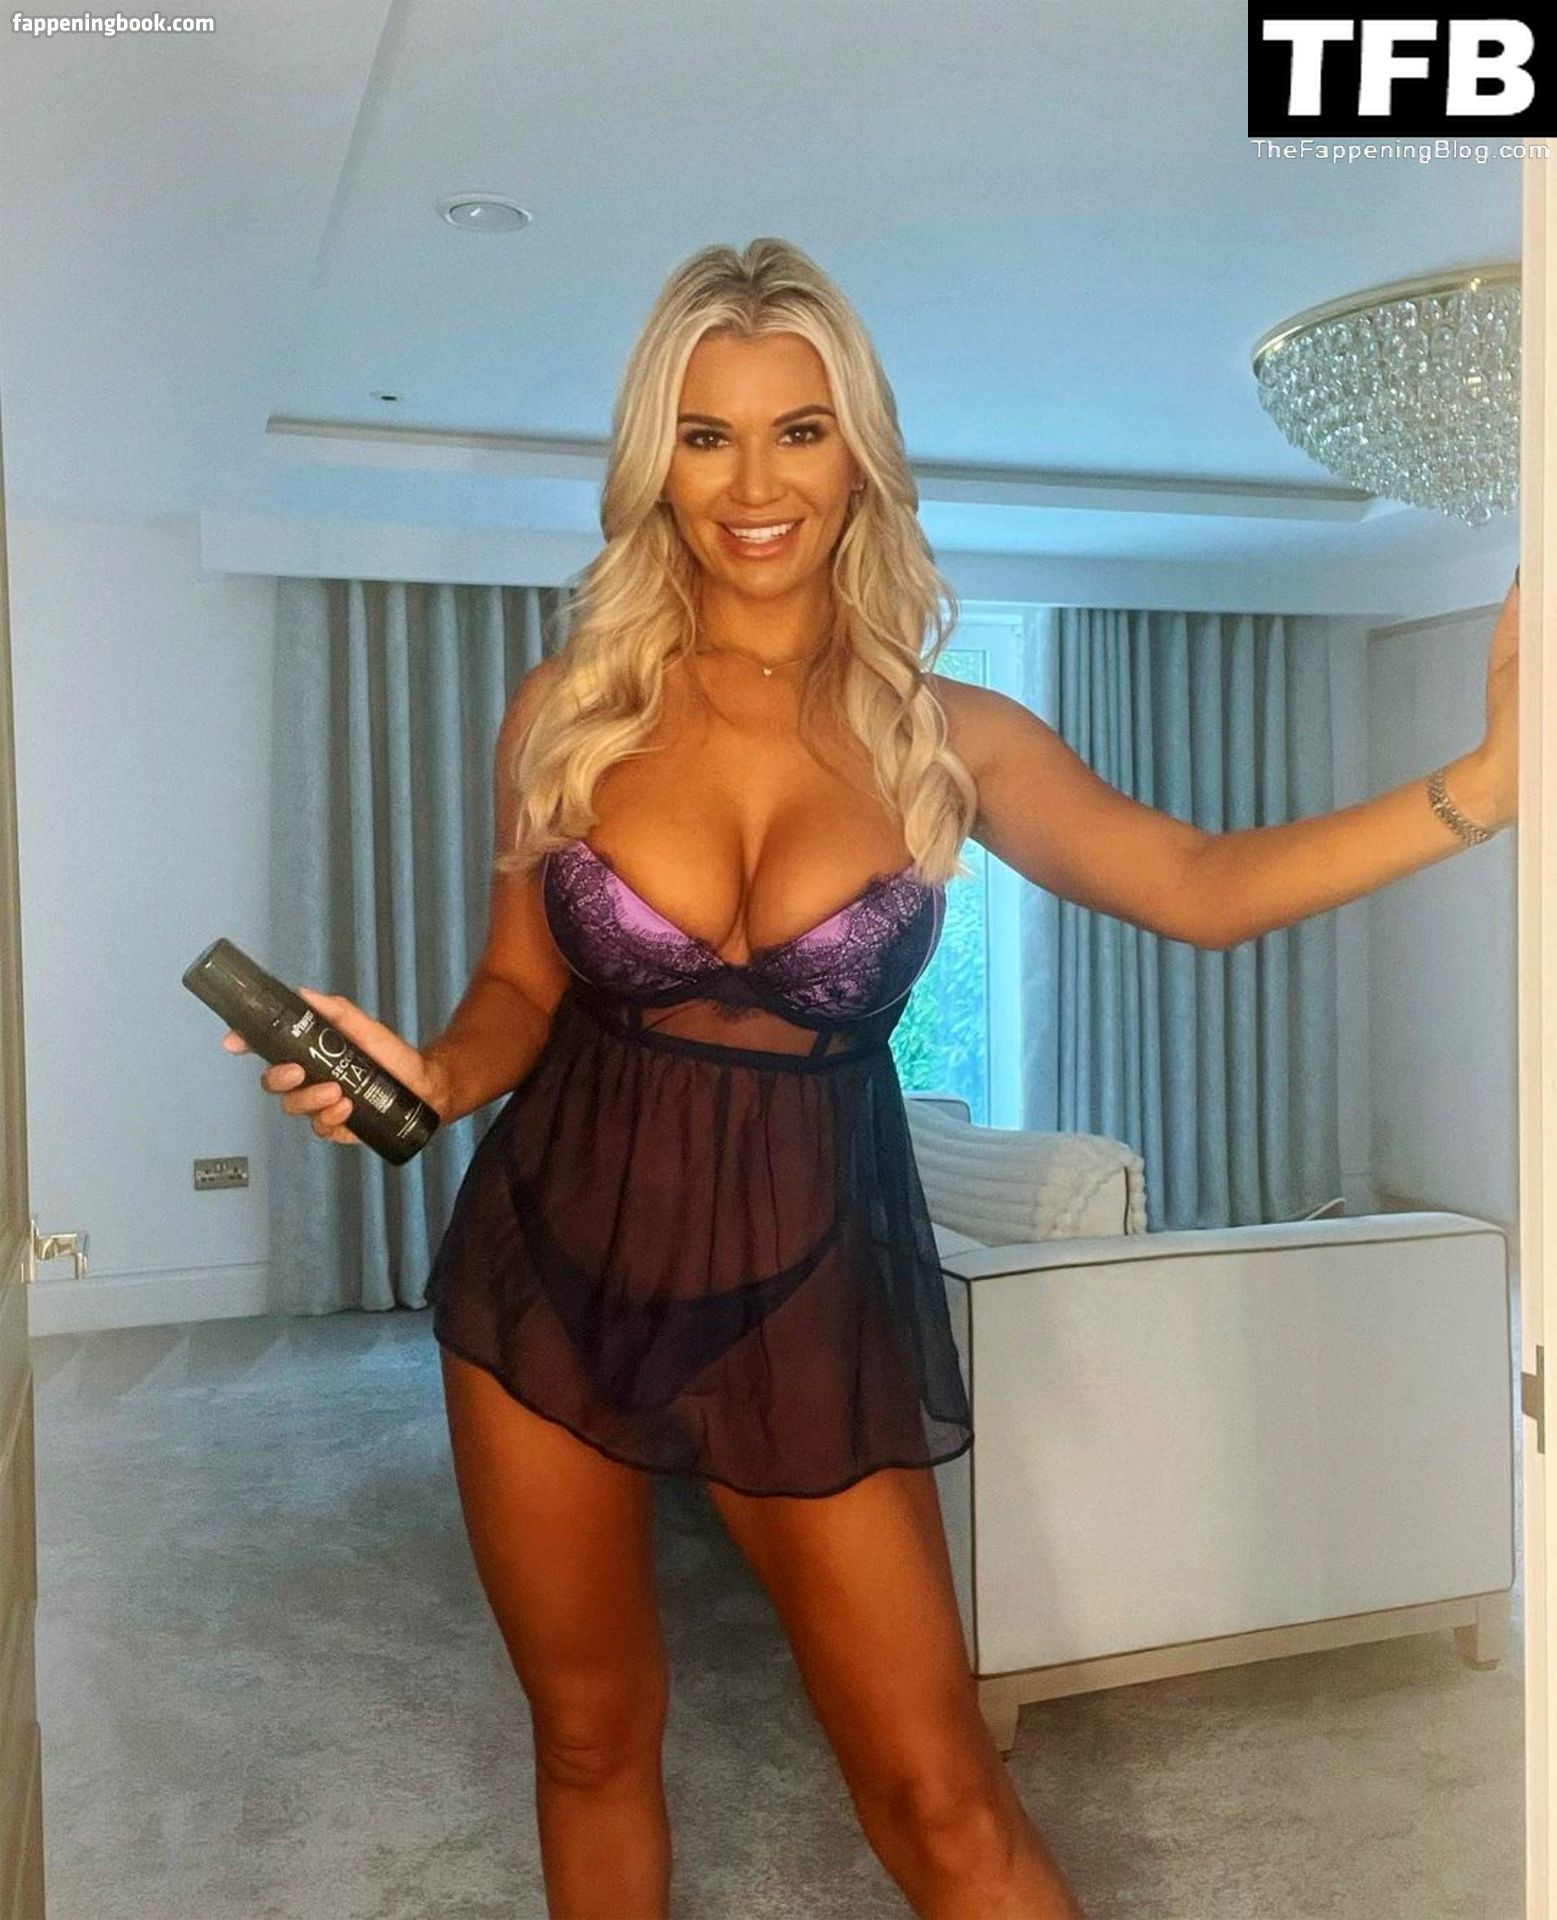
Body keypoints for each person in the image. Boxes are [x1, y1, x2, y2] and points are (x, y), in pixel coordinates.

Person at [223, 238, 1519, 1920]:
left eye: (799, 430)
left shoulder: (952, 734)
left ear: (859, 455)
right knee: (591, 1739)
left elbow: (1197, 884)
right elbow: (516, 993)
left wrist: (1485, 787)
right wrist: (427, 1075)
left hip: (806, 1292)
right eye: (705, 436)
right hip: (549, 1260)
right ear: (655, 462)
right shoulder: (567, 708)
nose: (753, 486)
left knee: (939, 1793)